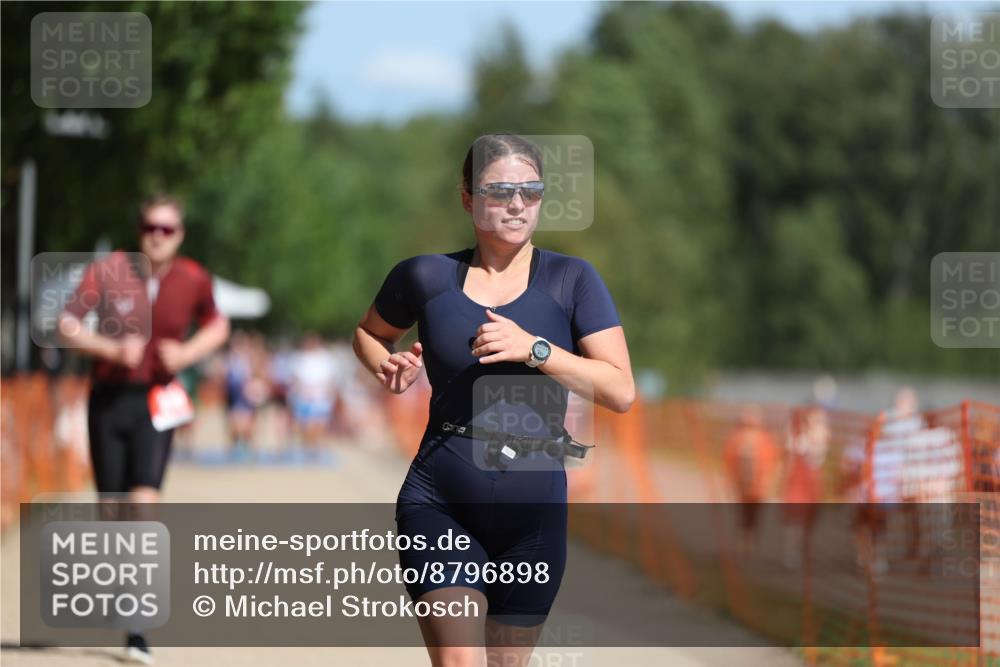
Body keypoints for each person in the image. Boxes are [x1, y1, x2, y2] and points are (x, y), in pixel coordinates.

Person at [352, 134, 634, 667]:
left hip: (534, 519)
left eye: (531, 190)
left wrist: (537, 349)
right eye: (499, 189)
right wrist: (385, 366)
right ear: (467, 196)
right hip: (440, 502)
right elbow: (368, 334)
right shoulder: (425, 276)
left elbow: (620, 390)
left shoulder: (571, 279)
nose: (516, 203)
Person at [58, 194, 230, 664]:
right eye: (151, 227)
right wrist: (109, 350)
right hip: (109, 399)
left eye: (168, 229)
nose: (158, 236)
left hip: (156, 402)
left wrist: (188, 354)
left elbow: (218, 326)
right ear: (139, 231)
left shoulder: (194, 277)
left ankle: (138, 629)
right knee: (112, 510)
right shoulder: (109, 270)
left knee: (145, 503)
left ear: (180, 236)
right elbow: (66, 326)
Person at [722, 404, 781, 557]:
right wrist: (729, 481)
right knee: (742, 513)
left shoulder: (766, 440)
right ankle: (742, 542)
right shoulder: (736, 439)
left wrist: (769, 481)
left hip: (757, 486)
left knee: (754, 514)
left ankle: (750, 542)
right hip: (741, 485)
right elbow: (728, 461)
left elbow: (773, 462)